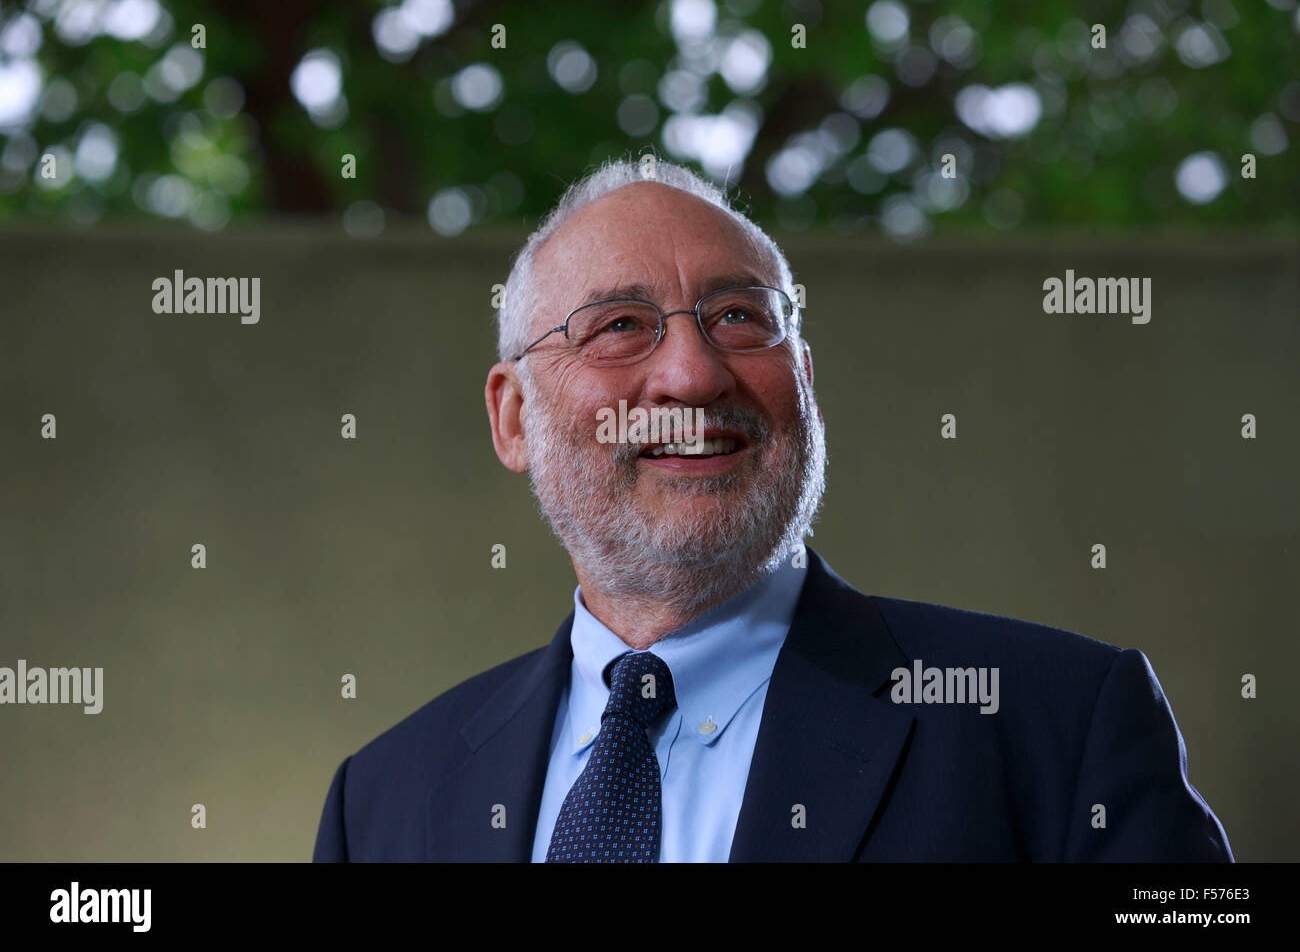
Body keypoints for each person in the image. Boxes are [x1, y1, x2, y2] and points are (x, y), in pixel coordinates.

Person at [312, 157, 1232, 862]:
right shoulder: (385, 800)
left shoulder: (1061, 726)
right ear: (515, 417)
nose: (693, 374)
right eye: (621, 325)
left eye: (742, 318)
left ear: (805, 382)